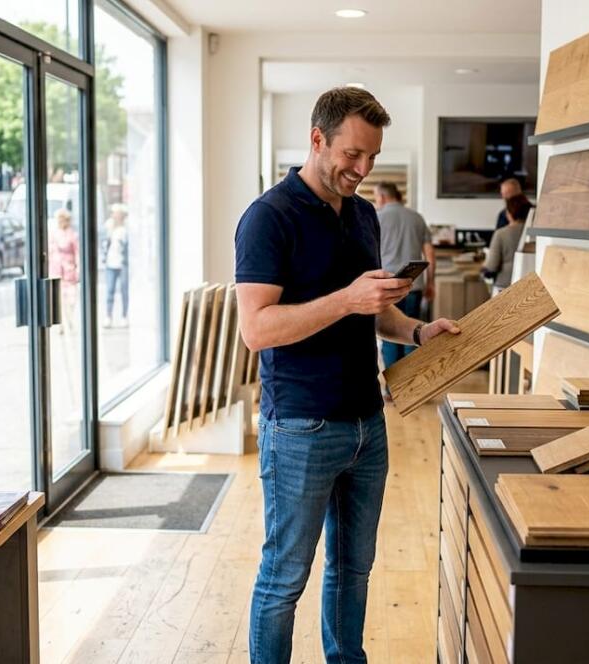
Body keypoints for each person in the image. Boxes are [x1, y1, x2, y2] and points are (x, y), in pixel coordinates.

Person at [235, 87, 460, 664]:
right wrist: (347, 299)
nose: (362, 169)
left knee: (353, 569)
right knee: (284, 577)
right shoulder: (268, 217)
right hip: (300, 427)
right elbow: (256, 329)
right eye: (352, 154)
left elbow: (374, 310)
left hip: (367, 421)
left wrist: (417, 331)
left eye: (372, 157)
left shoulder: (363, 214)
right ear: (317, 139)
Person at [374, 181, 435, 371]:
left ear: (382, 197)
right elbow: (430, 255)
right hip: (413, 285)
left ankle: (393, 385)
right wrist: (430, 283)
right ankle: (411, 382)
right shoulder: (417, 218)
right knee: (414, 333)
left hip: (386, 286)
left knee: (389, 336)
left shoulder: (376, 217)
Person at [483, 193, 531, 296]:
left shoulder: (501, 234)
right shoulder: (532, 233)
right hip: (529, 284)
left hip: (504, 286)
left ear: (509, 213)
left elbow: (492, 266)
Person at [48, 208, 79, 334]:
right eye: (59, 220)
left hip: (69, 270)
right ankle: (61, 324)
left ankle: (70, 321)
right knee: (59, 299)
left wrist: (78, 267)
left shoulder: (72, 235)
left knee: (71, 299)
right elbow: (50, 251)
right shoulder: (54, 234)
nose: (61, 222)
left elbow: (77, 252)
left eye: (63, 220)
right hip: (56, 269)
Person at [102, 203, 128, 328]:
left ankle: (124, 316)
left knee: (124, 291)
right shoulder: (109, 227)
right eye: (114, 213)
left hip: (123, 264)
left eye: (117, 213)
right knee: (110, 290)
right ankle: (108, 316)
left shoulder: (126, 229)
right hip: (110, 263)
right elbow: (104, 243)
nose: (115, 216)